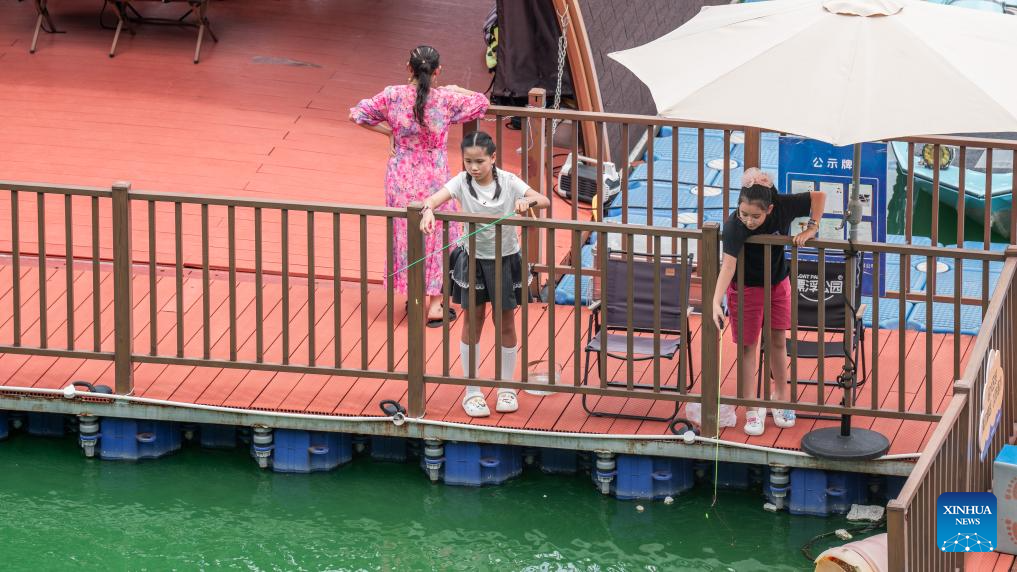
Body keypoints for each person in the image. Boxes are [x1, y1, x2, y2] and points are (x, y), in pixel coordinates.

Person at [349, 45, 489, 326]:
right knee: (440, 233)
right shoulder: (445, 99)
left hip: (401, 174)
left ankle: (414, 295)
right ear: (438, 71)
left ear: (408, 68)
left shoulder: (393, 96)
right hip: (435, 175)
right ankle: (436, 304)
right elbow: (481, 103)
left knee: (405, 232)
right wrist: (458, 88)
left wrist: (389, 131)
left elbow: (357, 114)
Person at [419, 131, 550, 417]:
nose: (474, 167)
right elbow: (432, 199)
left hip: (505, 259)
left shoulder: (509, 181)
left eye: (480, 161)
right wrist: (427, 211)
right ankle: (472, 391)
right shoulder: (461, 182)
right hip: (472, 260)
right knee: (473, 321)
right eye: (468, 161)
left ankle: (505, 388)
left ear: (493, 158)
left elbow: (543, 200)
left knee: (505, 322)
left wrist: (527, 203)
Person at [710, 168, 826, 436]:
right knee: (748, 347)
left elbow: (819, 197)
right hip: (745, 288)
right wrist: (716, 301)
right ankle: (751, 407)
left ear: (770, 209)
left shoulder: (783, 207)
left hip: (778, 284)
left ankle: (781, 398)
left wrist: (812, 228)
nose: (749, 221)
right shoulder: (734, 225)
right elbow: (728, 266)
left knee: (778, 341)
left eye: (756, 216)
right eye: (744, 213)